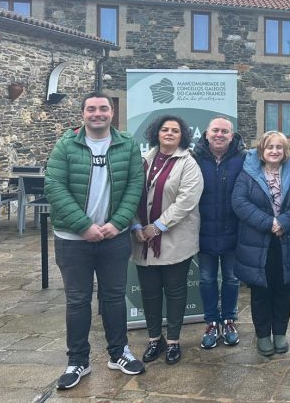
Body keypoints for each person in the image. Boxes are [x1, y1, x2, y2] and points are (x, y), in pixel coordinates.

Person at [45, 93, 145, 390]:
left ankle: (119, 353)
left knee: (114, 298)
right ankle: (78, 361)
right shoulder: (66, 145)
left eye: (103, 108)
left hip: (114, 238)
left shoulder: (127, 144)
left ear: (112, 113)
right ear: (83, 114)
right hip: (72, 238)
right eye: (91, 109)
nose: (97, 114)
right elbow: (54, 186)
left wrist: (118, 223)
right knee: (77, 301)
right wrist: (84, 226)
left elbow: (134, 185)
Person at [132, 115, 203, 366]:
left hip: (175, 238)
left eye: (175, 130)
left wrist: (158, 227)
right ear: (157, 133)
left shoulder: (188, 163)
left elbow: (186, 201)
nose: (170, 133)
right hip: (142, 239)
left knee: (175, 292)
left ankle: (173, 341)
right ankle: (154, 339)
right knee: (150, 293)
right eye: (165, 129)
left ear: (182, 135)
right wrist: (137, 225)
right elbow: (130, 194)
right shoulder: (142, 160)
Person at [233, 130, 290, 356]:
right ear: (262, 150)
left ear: (285, 151)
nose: (274, 151)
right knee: (260, 292)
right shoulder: (248, 173)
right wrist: (269, 223)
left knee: (283, 290)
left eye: (279, 147)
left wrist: (284, 222)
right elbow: (239, 202)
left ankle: (279, 333)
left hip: (287, 241)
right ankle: (262, 336)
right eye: (270, 147)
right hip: (258, 242)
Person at [193, 116, 245, 350]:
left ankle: (229, 321)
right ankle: (212, 322)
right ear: (206, 133)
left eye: (225, 131)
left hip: (234, 231)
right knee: (206, 279)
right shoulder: (194, 159)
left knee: (232, 279)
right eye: (215, 130)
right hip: (203, 231)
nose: (220, 135)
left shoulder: (244, 159)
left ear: (232, 136)